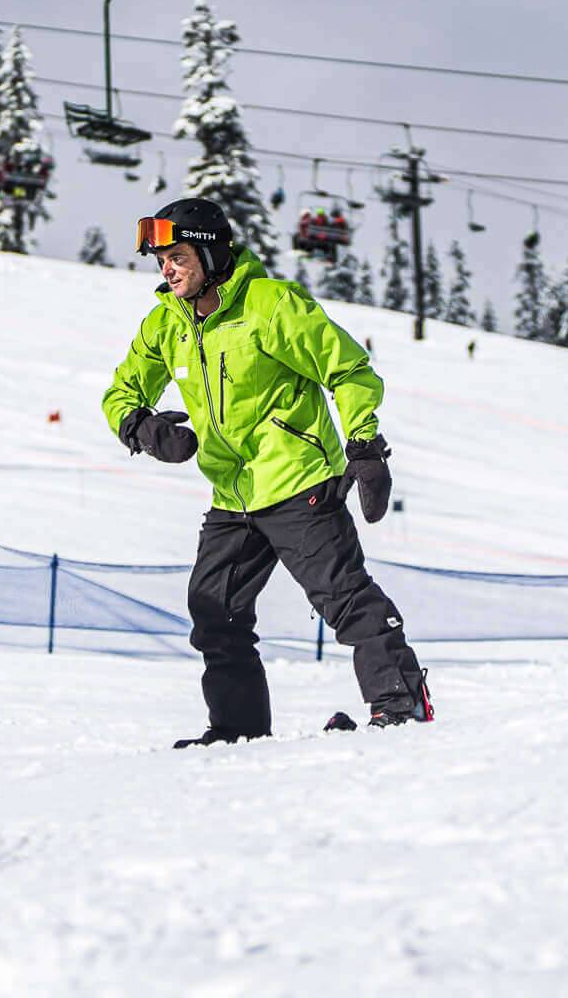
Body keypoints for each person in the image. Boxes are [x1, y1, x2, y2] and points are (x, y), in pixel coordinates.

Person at [102, 197, 432, 744]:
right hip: (232, 495)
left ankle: (401, 704)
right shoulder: (167, 324)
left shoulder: (270, 305)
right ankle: (238, 729)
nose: (168, 270)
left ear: (210, 254)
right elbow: (121, 392)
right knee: (215, 612)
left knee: (343, 597)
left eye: (178, 257)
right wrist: (141, 428)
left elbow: (348, 369)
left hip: (298, 481)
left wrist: (364, 446)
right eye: (162, 260)